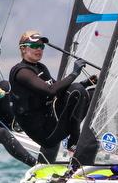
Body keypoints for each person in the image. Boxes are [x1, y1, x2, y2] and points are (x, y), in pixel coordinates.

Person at [9, 30, 95, 164]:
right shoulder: (21, 72)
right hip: (45, 133)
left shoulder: (41, 67)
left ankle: (94, 142)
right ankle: (74, 144)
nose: (39, 49)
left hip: (52, 121)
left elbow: (59, 90)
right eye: (34, 46)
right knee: (76, 90)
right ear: (23, 49)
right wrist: (75, 73)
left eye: (41, 46)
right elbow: (50, 91)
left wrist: (85, 83)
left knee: (93, 93)